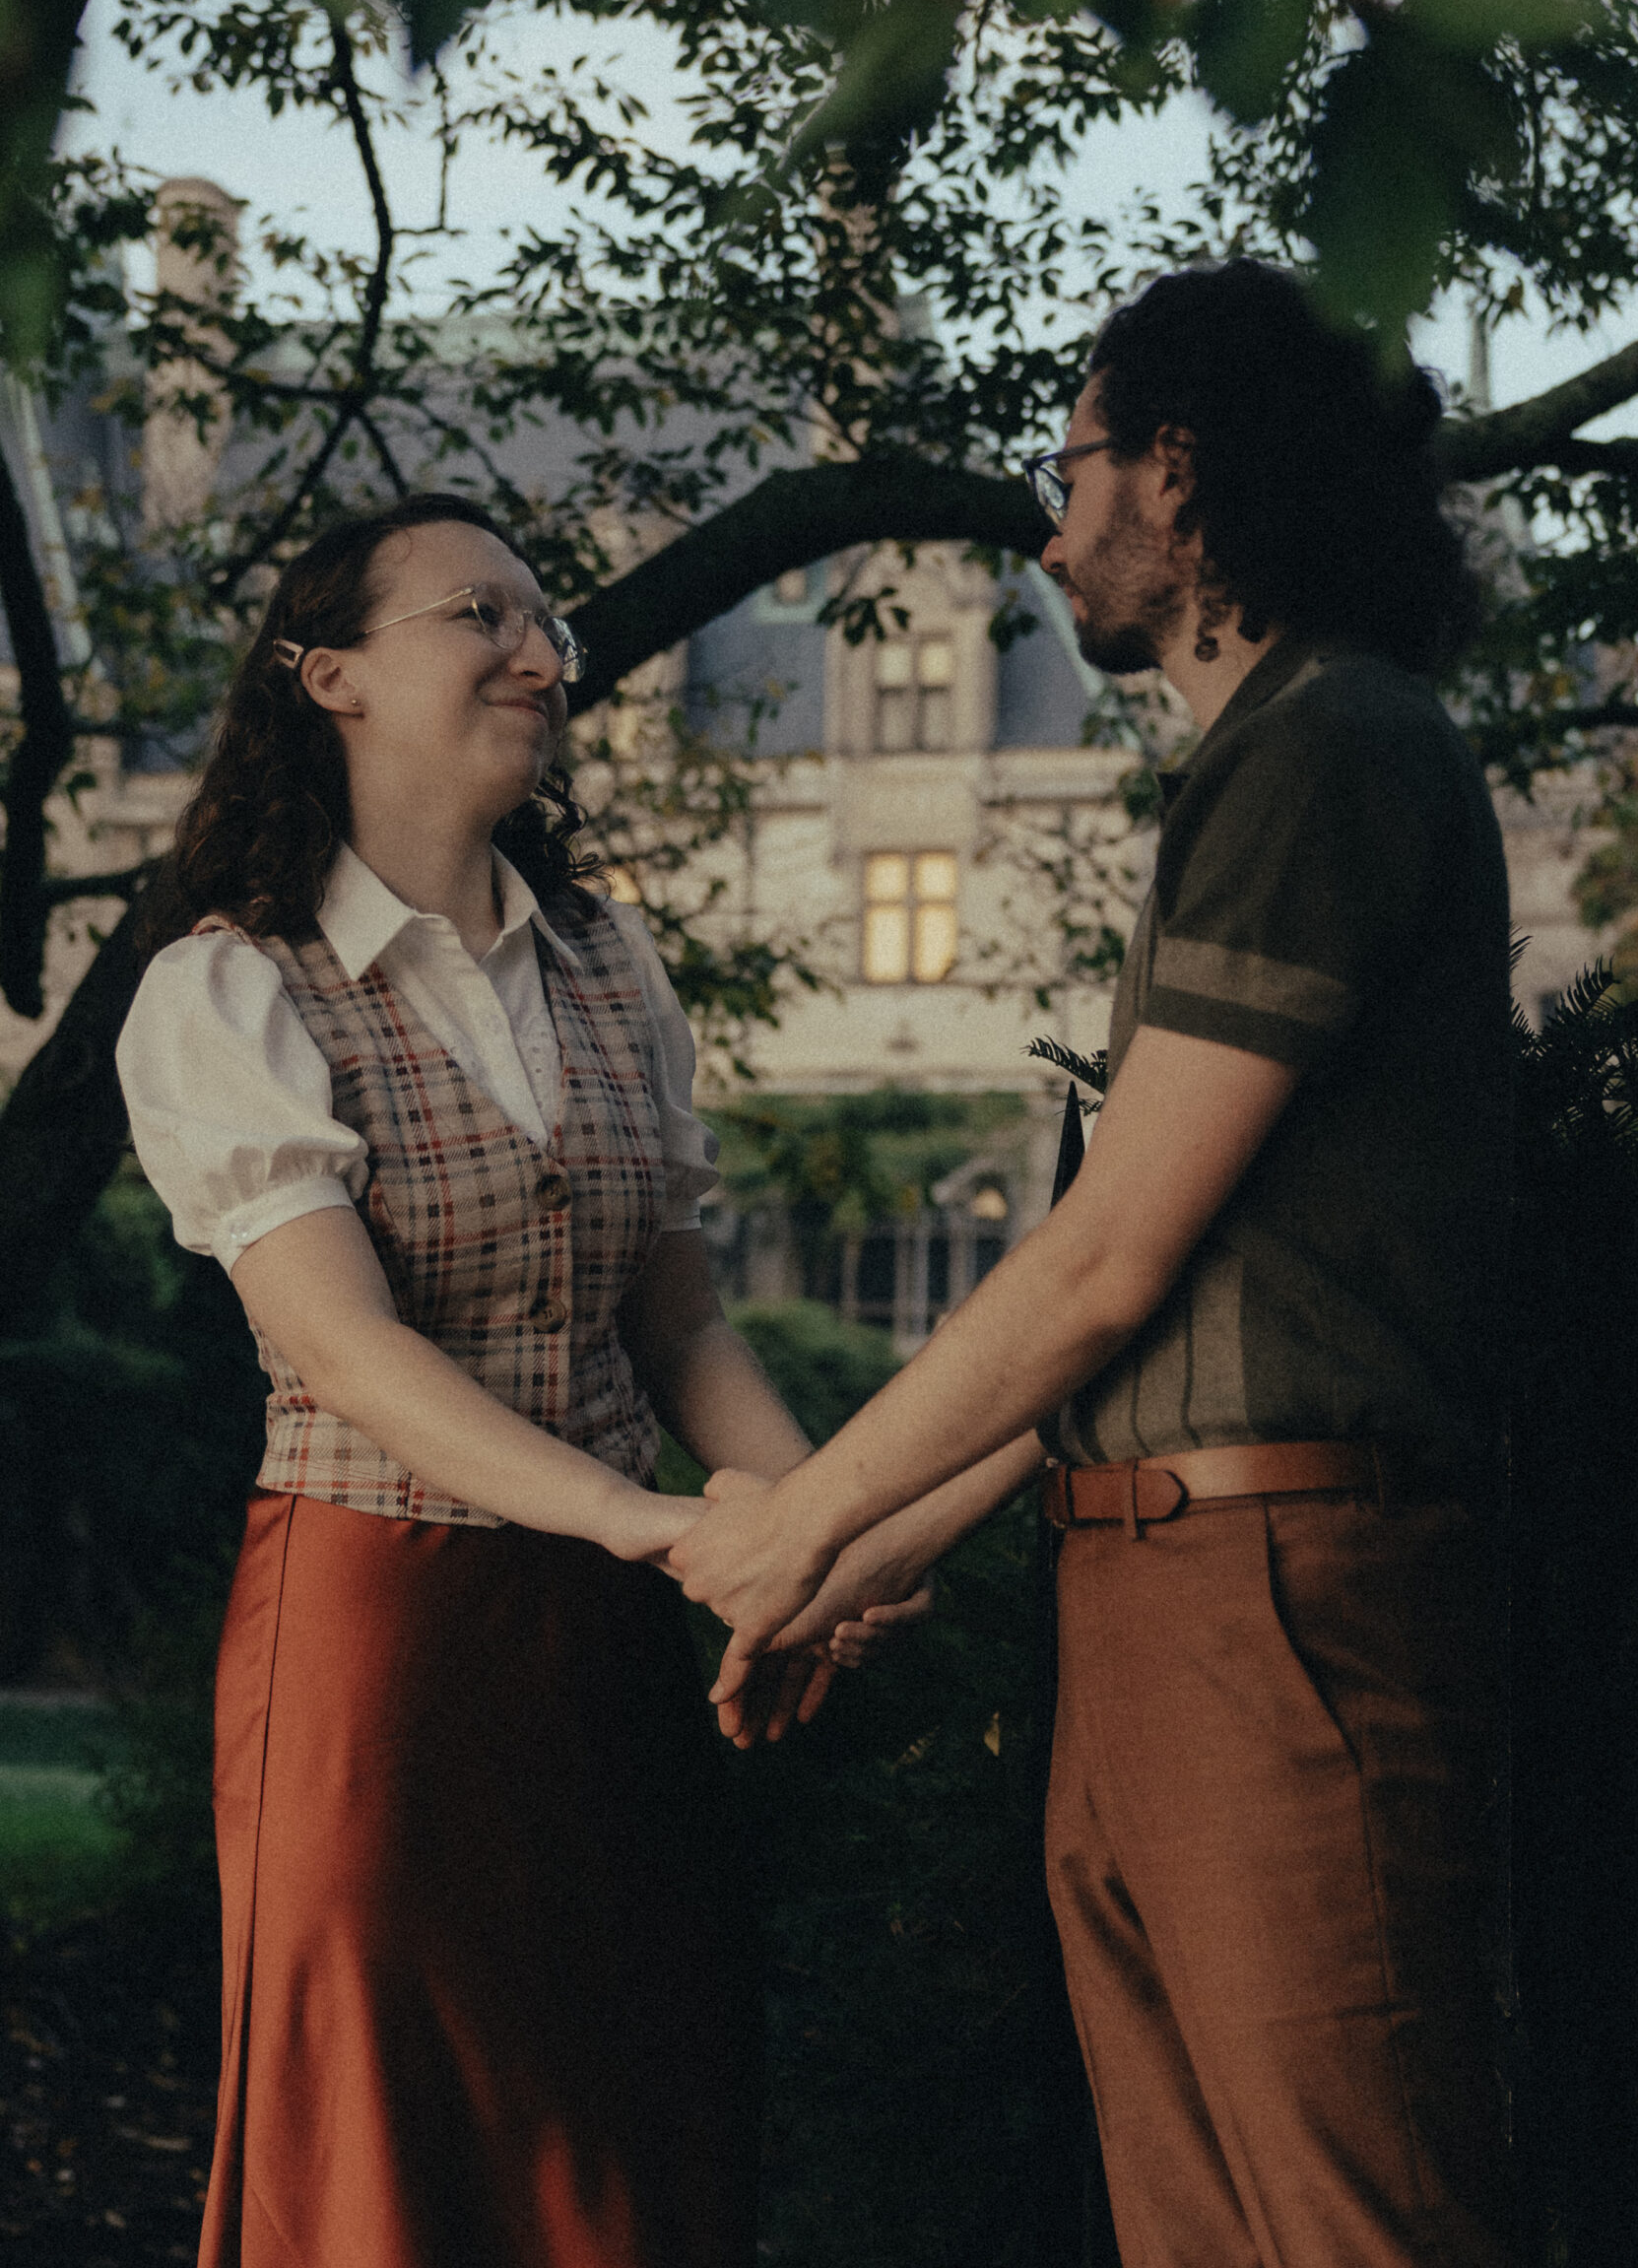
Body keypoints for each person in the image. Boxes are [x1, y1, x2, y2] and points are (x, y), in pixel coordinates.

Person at [671, 263, 1517, 2267]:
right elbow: (1130, 1317)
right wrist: (865, 1551)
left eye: (1070, 472)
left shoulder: (1329, 745)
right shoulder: (1261, 762)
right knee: (1195, 2225)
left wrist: (804, 1519)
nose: (1047, 537)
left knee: (1345, 2220)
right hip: (1156, 1585)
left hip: (1270, 1598)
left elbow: (1102, 1262)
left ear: (1177, 474)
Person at [115, 492, 926, 2268]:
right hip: (379, 1645)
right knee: (391, 2152)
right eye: (480, 614)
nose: (541, 656)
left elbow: (682, 1330)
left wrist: (817, 1535)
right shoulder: (227, 989)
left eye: (546, 623)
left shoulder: (610, 966)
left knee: (623, 2125)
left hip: (610, 1646)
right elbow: (349, 1350)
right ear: (329, 675)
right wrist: (666, 1527)